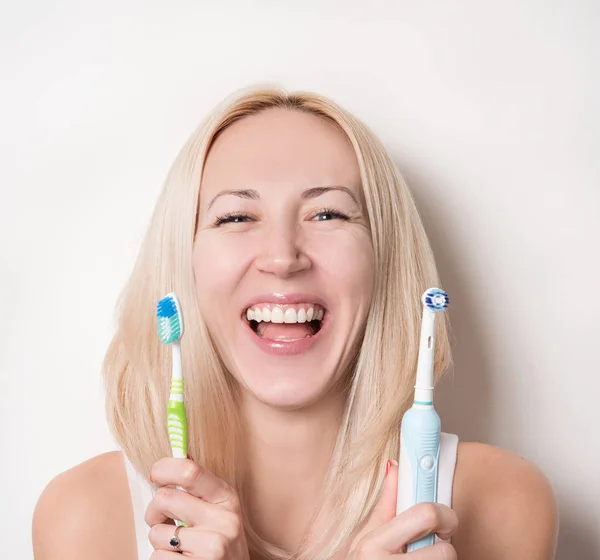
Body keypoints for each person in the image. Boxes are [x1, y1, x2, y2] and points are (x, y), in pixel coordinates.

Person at [32, 85, 558, 559]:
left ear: (385, 258)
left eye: (327, 214)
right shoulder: (86, 517)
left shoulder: (500, 503)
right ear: (184, 262)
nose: (283, 257)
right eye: (236, 217)